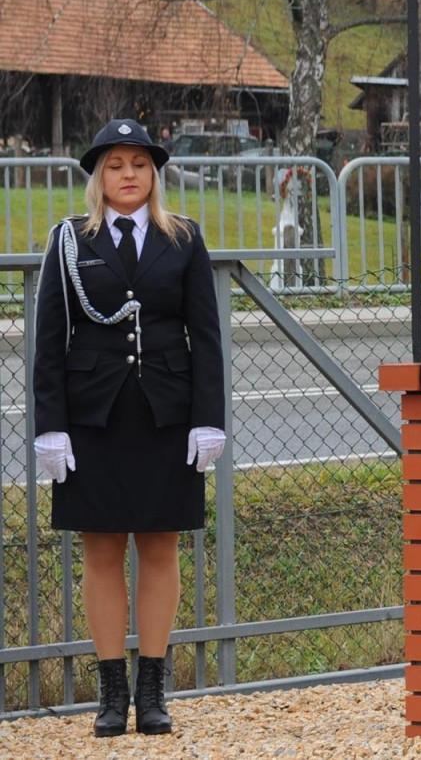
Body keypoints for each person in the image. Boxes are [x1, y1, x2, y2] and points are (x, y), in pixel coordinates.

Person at [32, 119, 226, 736]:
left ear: (154, 173)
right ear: (99, 175)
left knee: (161, 547)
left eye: (139, 164)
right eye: (115, 165)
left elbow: (206, 336)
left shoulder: (183, 238)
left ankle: (153, 689)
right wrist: (50, 426)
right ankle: (112, 692)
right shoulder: (71, 240)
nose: (128, 175)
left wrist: (208, 419)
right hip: (93, 417)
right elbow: (49, 340)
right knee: (101, 549)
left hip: (166, 414)